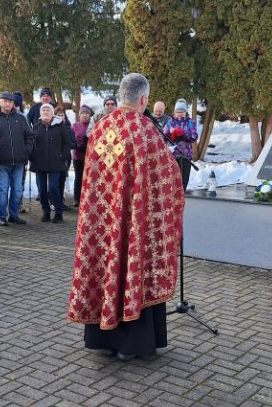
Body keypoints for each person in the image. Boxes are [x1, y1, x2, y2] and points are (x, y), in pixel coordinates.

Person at [67, 73, 184, 360]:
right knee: (131, 266)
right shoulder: (144, 131)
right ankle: (131, 344)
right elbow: (168, 178)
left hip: (103, 224)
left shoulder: (101, 127)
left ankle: (103, 341)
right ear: (143, 99)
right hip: (133, 222)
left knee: (106, 265)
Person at [0, 91, 33, 226]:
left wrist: (26, 151)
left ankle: (14, 215)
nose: (8, 104)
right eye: (5, 101)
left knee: (17, 190)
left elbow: (30, 136)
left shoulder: (21, 118)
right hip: (2, 161)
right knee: (3, 189)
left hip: (19, 161)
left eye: (10, 102)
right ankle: (1, 216)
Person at [30, 104, 71, 223]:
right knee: (42, 189)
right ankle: (46, 212)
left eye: (48, 110)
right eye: (44, 110)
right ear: (40, 113)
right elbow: (31, 143)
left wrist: (62, 156)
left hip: (56, 162)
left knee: (53, 187)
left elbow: (67, 143)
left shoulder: (60, 126)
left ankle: (58, 213)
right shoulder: (36, 127)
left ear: (52, 112)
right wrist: (31, 156)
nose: (46, 112)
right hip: (39, 162)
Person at [163, 99, 199, 190]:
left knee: (184, 180)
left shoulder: (190, 122)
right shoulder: (170, 122)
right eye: (177, 112)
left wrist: (183, 134)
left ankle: (182, 197)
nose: (179, 114)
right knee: (173, 179)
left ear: (185, 112)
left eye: (182, 112)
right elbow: (163, 136)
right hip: (173, 155)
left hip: (186, 155)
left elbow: (194, 137)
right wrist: (170, 135)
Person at [71, 105, 93, 208]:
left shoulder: (93, 125)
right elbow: (70, 139)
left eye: (87, 113)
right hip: (77, 156)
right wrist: (76, 145)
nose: (84, 115)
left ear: (90, 115)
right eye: (83, 113)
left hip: (90, 156)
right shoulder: (75, 125)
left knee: (89, 178)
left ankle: (87, 198)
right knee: (78, 178)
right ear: (79, 115)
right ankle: (76, 198)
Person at [55, 105, 74, 209]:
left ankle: (60, 201)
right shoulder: (52, 126)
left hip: (66, 157)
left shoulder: (68, 127)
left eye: (62, 115)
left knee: (62, 179)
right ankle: (54, 201)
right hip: (54, 157)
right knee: (54, 180)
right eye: (58, 115)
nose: (60, 117)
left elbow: (73, 142)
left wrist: (67, 145)